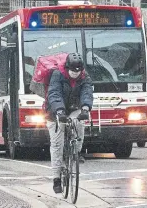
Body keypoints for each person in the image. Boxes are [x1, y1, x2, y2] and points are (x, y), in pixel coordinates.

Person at [45, 53, 93, 194]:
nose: (75, 74)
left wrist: (85, 108)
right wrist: (59, 111)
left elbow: (87, 92)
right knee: (57, 144)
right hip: (55, 111)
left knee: (80, 122)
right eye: (72, 71)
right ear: (67, 68)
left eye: (77, 72)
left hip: (73, 108)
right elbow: (54, 94)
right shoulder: (57, 75)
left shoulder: (84, 76)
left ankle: (76, 152)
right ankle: (56, 179)